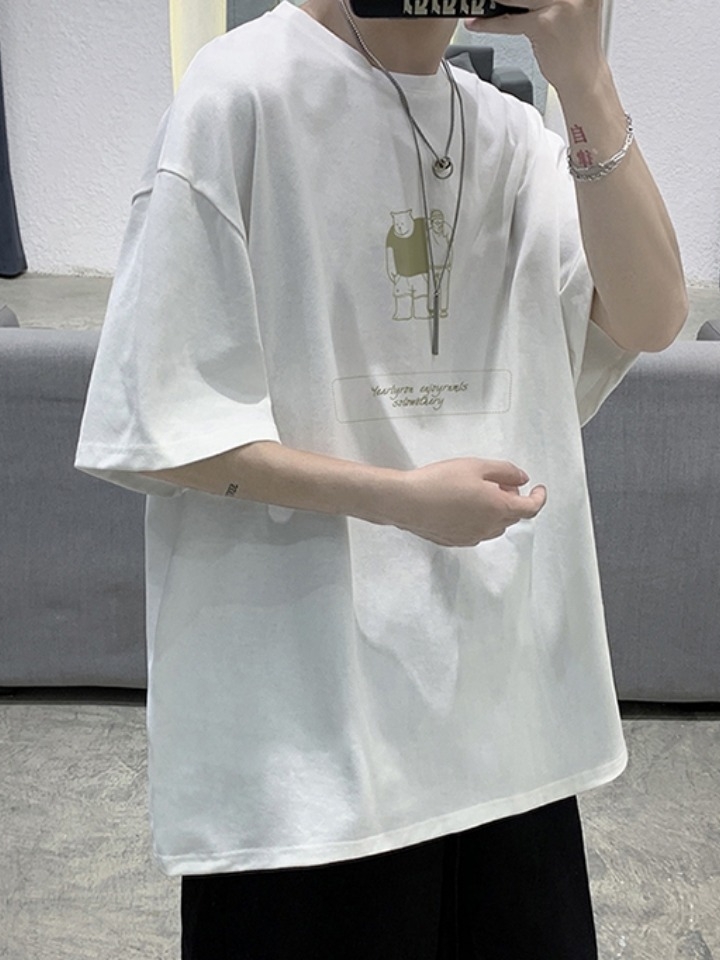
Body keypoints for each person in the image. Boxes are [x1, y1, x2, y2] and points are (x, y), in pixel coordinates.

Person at [73, 0, 688, 957]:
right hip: (309, 752)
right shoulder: (242, 94)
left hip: (502, 728)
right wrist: (399, 499)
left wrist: (585, 77)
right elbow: (163, 425)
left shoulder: (509, 130)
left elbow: (651, 316)